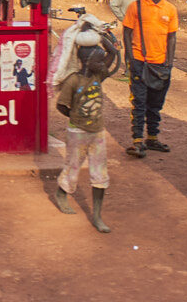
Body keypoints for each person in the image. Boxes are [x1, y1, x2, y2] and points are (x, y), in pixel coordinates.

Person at [54, 39, 118, 233]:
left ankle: (97, 215)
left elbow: (113, 53)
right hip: (77, 132)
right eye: (99, 61)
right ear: (87, 62)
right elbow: (61, 105)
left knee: (100, 174)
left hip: (97, 131)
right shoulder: (74, 80)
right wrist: (76, 117)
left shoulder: (98, 75)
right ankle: (61, 193)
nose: (102, 64)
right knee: (73, 167)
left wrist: (99, 35)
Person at [122, 0, 178, 158]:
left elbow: (172, 37)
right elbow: (127, 33)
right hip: (140, 62)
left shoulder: (170, 9)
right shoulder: (135, 7)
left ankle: (152, 138)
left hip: (160, 65)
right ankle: (137, 141)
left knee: (155, 104)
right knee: (139, 103)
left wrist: (169, 63)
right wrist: (130, 59)